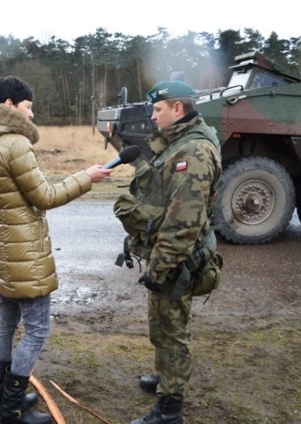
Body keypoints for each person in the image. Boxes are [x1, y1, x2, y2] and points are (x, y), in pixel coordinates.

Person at [0, 75, 113, 424]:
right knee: (37, 329)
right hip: (26, 256)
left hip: (3, 252)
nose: (32, 115)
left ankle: (6, 397)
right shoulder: (14, 143)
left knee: (5, 323)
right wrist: (86, 177)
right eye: (28, 107)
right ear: (9, 106)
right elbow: (44, 196)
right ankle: (13, 410)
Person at [114, 81, 222, 424]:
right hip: (168, 255)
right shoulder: (178, 144)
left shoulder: (193, 153)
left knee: (172, 330)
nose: (152, 115)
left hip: (177, 259)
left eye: (158, 109)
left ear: (178, 109)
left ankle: (169, 409)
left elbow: (184, 223)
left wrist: (159, 269)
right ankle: (165, 378)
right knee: (161, 326)